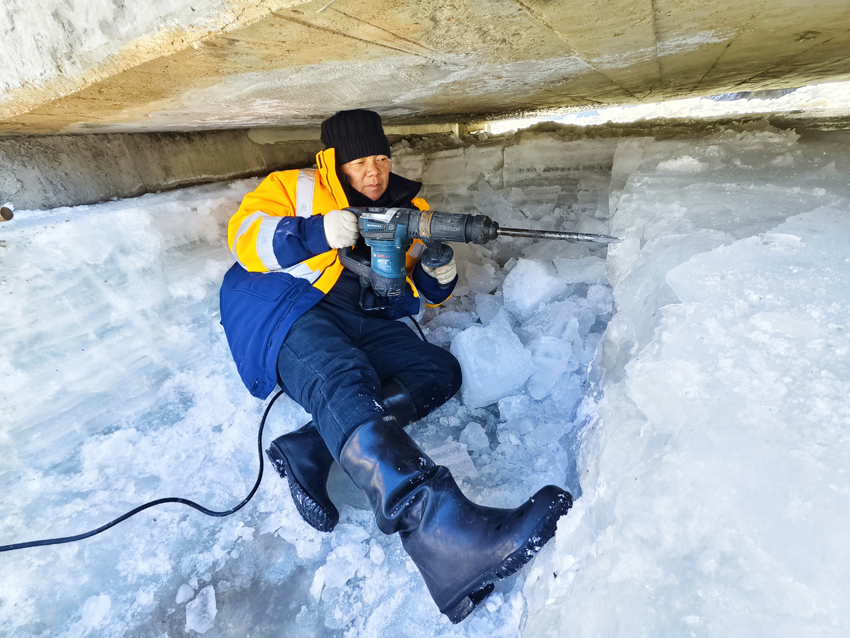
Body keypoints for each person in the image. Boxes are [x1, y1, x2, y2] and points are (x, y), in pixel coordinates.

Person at [219, 109, 572, 623]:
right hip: (285, 305)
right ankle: (442, 535)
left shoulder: (409, 208)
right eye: (360, 161)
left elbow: (405, 292)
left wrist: (437, 277)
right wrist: (319, 231)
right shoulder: (296, 187)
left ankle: (311, 447)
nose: (374, 172)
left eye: (381, 158)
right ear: (336, 164)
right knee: (341, 375)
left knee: (436, 371)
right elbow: (244, 236)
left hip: (356, 312)